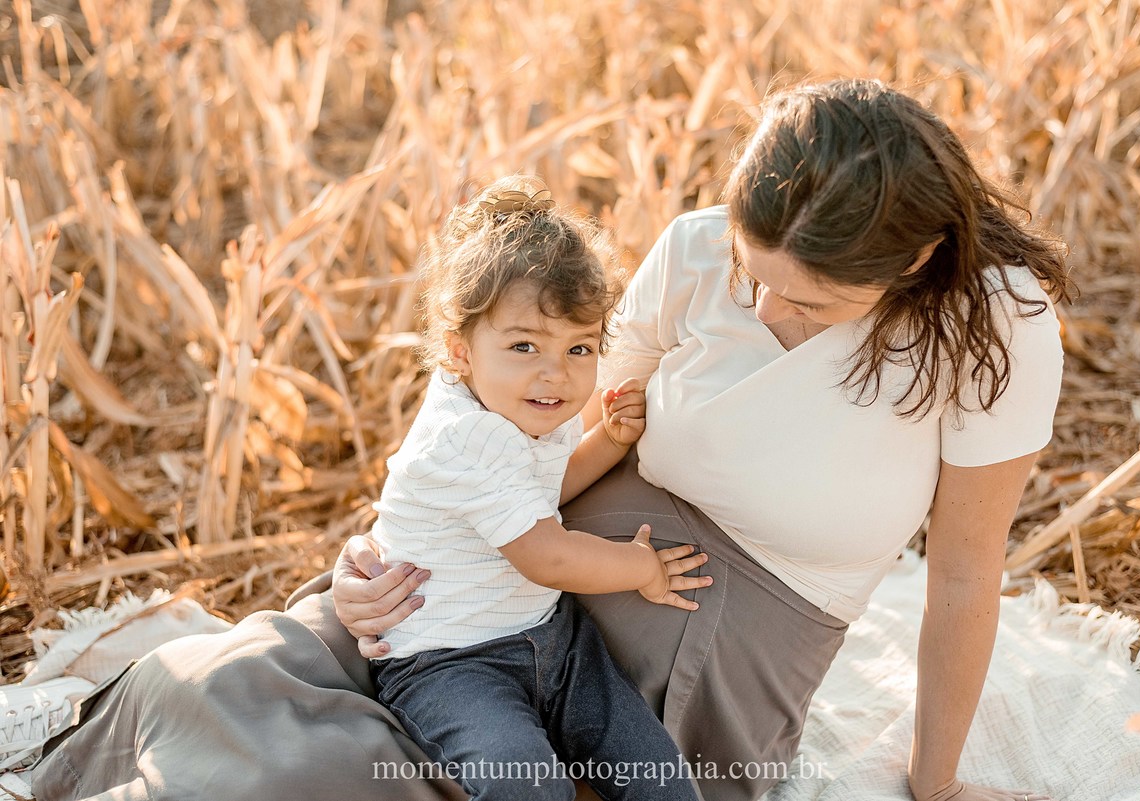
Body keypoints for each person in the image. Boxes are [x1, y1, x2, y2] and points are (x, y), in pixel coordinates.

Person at [31, 79, 1069, 801]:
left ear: (918, 258)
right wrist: (387, 550)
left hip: (712, 632)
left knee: (364, 780)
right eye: (753, 271)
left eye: (806, 300)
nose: (760, 304)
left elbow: (968, 576)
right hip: (522, 551)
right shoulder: (700, 251)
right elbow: (523, 424)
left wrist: (934, 787)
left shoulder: (994, 328)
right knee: (262, 677)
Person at [366, 176, 704, 800]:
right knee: (526, 785)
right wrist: (641, 567)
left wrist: (607, 441)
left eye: (580, 347)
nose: (557, 373)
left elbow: (540, 492)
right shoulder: (465, 438)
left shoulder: (522, 401)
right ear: (458, 351)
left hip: (553, 638)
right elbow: (546, 554)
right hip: (450, 662)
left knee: (658, 777)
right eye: (524, 345)